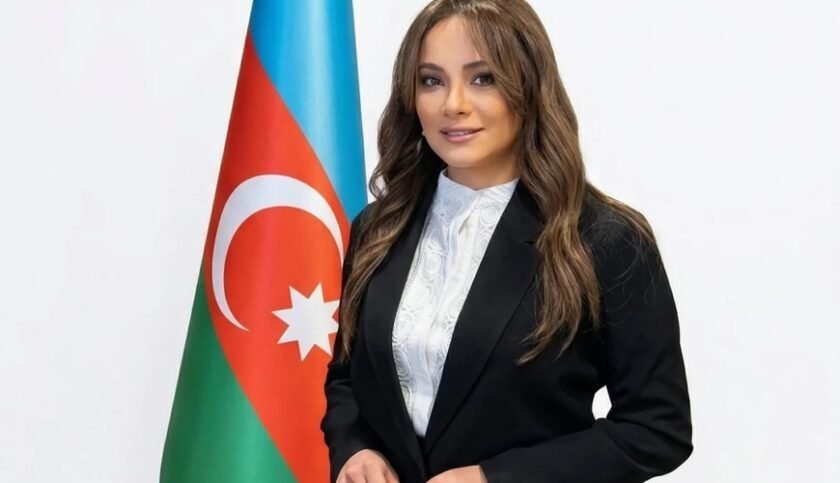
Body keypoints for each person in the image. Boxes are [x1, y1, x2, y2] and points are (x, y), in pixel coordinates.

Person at [321, 1, 693, 482]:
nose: (453, 104)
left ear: (529, 88)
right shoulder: (378, 228)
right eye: (431, 80)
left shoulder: (607, 240)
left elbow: (657, 428)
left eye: (484, 78)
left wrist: (494, 478)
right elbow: (348, 378)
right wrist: (355, 449)